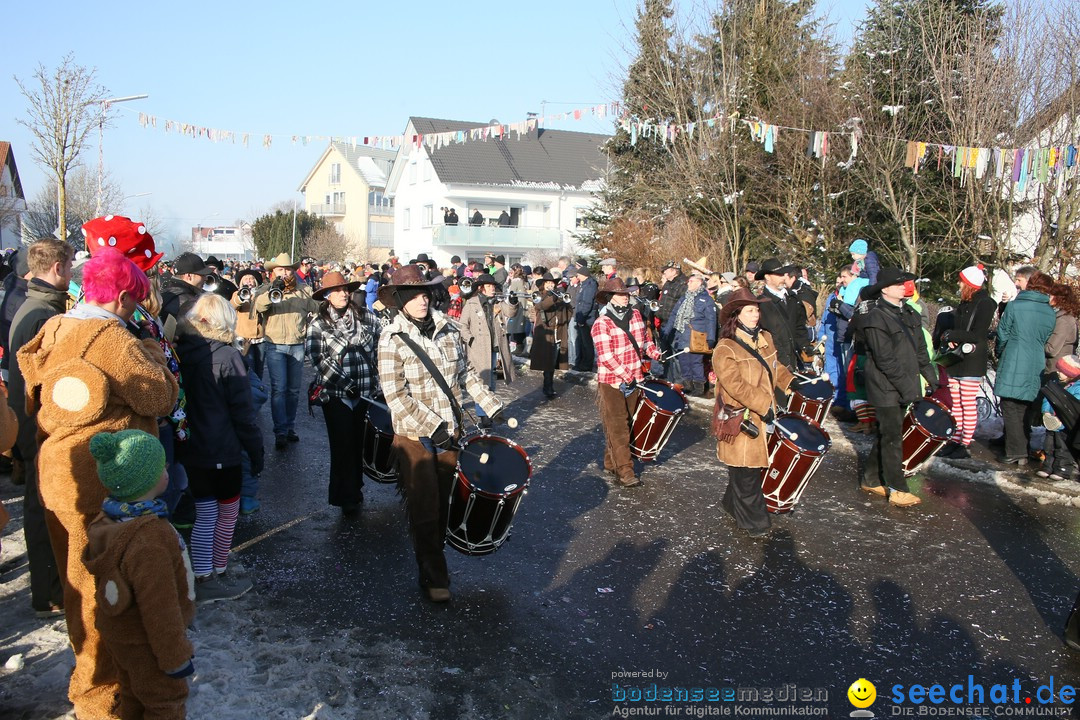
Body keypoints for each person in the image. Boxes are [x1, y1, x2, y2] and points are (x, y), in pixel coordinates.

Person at [17, 248, 179, 719]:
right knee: (102, 588)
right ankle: (102, 694)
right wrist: (152, 354)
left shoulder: (57, 326)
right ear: (125, 296)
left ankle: (95, 682)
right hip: (99, 478)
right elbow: (158, 394)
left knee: (75, 582)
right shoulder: (109, 335)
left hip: (60, 470)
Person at [376, 264, 503, 602]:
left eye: (425, 292)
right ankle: (434, 576)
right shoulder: (391, 339)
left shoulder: (448, 329)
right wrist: (433, 429)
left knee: (447, 503)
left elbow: (466, 374)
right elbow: (395, 397)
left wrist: (491, 405)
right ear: (401, 299)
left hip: (451, 429)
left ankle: (431, 560)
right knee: (425, 507)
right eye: (414, 294)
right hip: (414, 436)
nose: (422, 299)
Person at [83, 430, 196, 720]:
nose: (167, 470)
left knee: (133, 694)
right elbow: (160, 607)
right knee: (164, 703)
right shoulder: (150, 539)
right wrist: (174, 658)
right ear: (146, 480)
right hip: (149, 643)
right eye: (161, 468)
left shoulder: (107, 519)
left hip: (119, 633)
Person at [175, 293, 262, 602]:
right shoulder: (227, 357)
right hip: (222, 447)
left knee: (204, 512)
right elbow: (243, 411)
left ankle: (208, 571)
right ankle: (212, 572)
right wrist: (256, 450)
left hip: (192, 445)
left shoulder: (181, 350)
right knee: (225, 513)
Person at [7, 238, 72, 619]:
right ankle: (49, 591)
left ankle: (49, 587)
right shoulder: (41, 314)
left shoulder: (34, 304)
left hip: (31, 421)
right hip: (37, 424)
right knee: (44, 507)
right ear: (58, 267)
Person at [850, 268, 938, 506]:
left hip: (904, 383)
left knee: (888, 433)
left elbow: (920, 350)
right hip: (884, 385)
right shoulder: (875, 318)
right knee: (892, 436)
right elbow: (884, 359)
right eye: (899, 284)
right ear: (885, 289)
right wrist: (908, 389)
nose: (905, 287)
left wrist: (930, 375)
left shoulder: (909, 312)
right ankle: (898, 488)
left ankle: (870, 478)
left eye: (906, 283)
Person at [712, 288, 795, 536]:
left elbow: (773, 366)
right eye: (750, 310)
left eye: (757, 309)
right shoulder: (725, 349)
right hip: (740, 417)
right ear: (736, 316)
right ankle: (755, 522)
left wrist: (790, 382)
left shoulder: (765, 338)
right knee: (746, 469)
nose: (755, 315)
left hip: (763, 413)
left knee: (748, 466)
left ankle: (730, 504)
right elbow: (735, 386)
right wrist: (764, 405)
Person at [305, 271, 381, 514]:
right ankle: (343, 495)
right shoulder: (318, 324)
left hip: (366, 391)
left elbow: (380, 346)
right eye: (337, 290)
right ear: (327, 295)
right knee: (342, 445)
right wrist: (345, 384)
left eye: (346, 289)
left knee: (359, 443)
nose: (343, 294)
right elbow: (318, 358)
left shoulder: (367, 317)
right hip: (336, 394)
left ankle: (355, 489)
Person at [591, 277, 661, 488]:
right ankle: (626, 471)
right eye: (620, 294)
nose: (624, 297)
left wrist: (654, 352)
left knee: (627, 423)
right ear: (611, 298)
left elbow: (645, 342)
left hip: (635, 379)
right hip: (612, 381)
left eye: (626, 294)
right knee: (618, 425)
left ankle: (610, 462)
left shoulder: (637, 315)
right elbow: (605, 357)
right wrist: (626, 374)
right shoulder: (601, 323)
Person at [256, 252, 319, 449]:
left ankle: (290, 427)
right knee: (279, 388)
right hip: (275, 344)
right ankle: (280, 431)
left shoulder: (303, 290)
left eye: (288, 269)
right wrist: (274, 291)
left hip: (297, 343)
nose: (284, 273)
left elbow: (317, 307)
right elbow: (258, 306)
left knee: (293, 390)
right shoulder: (265, 289)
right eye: (280, 270)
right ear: (273, 272)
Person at [995, 271, 1057, 465]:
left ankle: (1016, 451)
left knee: (1009, 405)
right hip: (1036, 361)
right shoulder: (1049, 312)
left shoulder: (1014, 306)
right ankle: (1022, 448)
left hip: (1014, 357)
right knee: (1024, 407)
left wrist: (1000, 351)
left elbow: (1003, 333)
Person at [937, 265, 997, 459]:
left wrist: (951, 334)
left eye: (961, 280)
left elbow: (977, 334)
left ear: (969, 283)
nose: (958, 283)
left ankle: (964, 442)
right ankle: (955, 438)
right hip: (957, 358)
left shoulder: (985, 303)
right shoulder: (964, 302)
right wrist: (952, 337)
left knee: (967, 402)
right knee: (956, 402)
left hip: (971, 359)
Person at [458, 273, 518, 428]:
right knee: (481, 382)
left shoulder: (498, 301)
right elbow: (462, 325)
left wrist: (513, 301)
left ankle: (490, 410)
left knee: (492, 382)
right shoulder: (471, 304)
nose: (492, 288)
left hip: (496, 347)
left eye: (493, 286)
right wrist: (470, 339)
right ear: (481, 288)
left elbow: (511, 312)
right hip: (478, 349)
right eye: (489, 286)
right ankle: (483, 415)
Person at [663, 272, 717, 397]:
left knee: (695, 362)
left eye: (691, 281)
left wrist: (711, 338)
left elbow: (711, 320)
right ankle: (687, 385)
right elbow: (674, 315)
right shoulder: (684, 298)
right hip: (681, 335)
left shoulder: (706, 299)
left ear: (699, 283)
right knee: (684, 361)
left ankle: (698, 386)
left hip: (696, 336)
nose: (688, 283)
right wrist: (667, 330)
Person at [755, 258, 807, 371]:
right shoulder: (762, 303)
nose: (783, 277)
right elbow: (768, 336)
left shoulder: (792, 298)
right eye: (778, 274)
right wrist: (784, 361)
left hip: (795, 360)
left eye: (783, 274)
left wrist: (805, 346)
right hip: (775, 362)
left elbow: (799, 326)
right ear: (767, 277)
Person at [1037, 354, 1080, 481]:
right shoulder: (1055, 383)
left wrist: (1061, 420)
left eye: (1062, 371)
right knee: (1049, 445)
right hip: (1051, 421)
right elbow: (1047, 398)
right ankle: (1048, 465)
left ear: (1071, 373)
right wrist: (1046, 412)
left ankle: (1062, 468)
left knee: (1063, 447)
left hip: (1064, 424)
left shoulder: (1077, 388)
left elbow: (1073, 408)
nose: (1058, 373)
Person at [530, 272, 573, 398]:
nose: (550, 285)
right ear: (543, 284)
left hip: (557, 332)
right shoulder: (538, 295)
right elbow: (541, 306)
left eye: (552, 283)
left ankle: (549, 384)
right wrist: (552, 298)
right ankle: (547, 385)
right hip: (545, 333)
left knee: (553, 361)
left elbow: (568, 314)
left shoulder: (558, 296)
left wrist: (565, 303)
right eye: (548, 283)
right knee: (547, 361)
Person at [160, 251, 212, 325]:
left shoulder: (169, 290)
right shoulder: (188, 301)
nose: (206, 278)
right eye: (202, 275)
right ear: (189, 276)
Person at [573, 264, 598, 371]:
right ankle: (582, 363)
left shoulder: (590, 285)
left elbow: (587, 303)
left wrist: (582, 318)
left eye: (579, 275)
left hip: (587, 319)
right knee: (582, 342)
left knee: (587, 343)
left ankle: (587, 364)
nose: (578, 277)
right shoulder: (584, 284)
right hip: (582, 317)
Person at [505, 263, 529, 355]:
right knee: (518, 327)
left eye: (511, 271)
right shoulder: (523, 281)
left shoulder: (516, 281)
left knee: (515, 327)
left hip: (516, 306)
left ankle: (519, 347)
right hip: (521, 306)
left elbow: (510, 294)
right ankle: (519, 346)